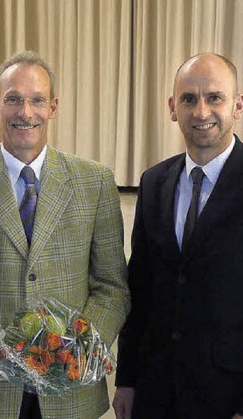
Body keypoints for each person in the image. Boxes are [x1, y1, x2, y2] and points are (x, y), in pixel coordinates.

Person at [0, 50, 130, 418]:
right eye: (13, 100)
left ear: (53, 107)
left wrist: (79, 346)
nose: (26, 112)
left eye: (37, 100)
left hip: (73, 393)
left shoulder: (95, 182)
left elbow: (111, 286)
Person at [113, 52, 243, 419]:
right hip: (157, 390)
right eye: (189, 99)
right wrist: (127, 379)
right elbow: (141, 288)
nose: (201, 112)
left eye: (214, 97)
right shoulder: (154, 183)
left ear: (237, 105)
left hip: (226, 395)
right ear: (173, 107)